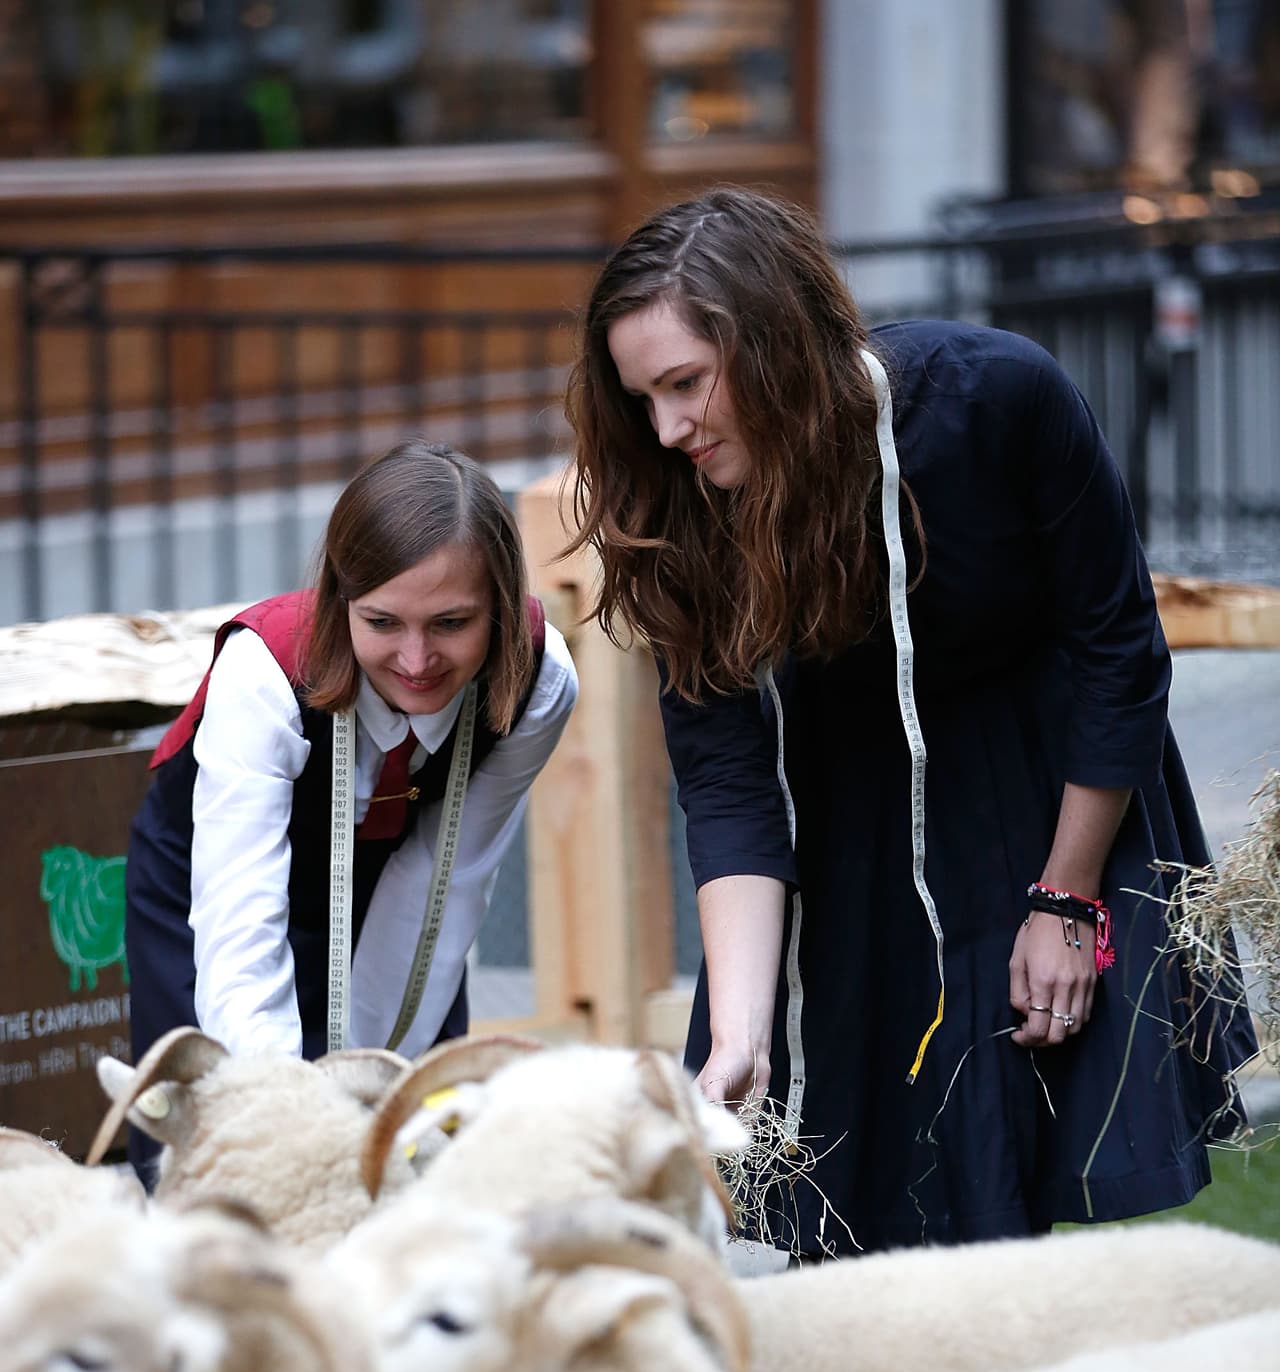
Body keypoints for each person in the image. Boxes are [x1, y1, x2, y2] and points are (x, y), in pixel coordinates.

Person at [565, 185, 1253, 1258]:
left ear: (776, 344)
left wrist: (1064, 899)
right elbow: (728, 776)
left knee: (1024, 1140)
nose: (667, 430)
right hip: (846, 820)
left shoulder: (999, 397)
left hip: (1050, 783)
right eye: (643, 398)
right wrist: (742, 1025)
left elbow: (1114, 651)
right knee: (856, 1175)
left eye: (686, 385)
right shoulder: (676, 507)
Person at [125, 440, 577, 1176]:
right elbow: (242, 926)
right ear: (342, 602)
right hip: (212, 879)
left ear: (497, 604)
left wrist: (367, 1086)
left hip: (395, 880)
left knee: (411, 1138)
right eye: (383, 623)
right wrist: (293, 1115)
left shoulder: (540, 679)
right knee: (218, 1136)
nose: (418, 659)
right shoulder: (265, 672)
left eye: (452, 623)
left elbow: (447, 878)